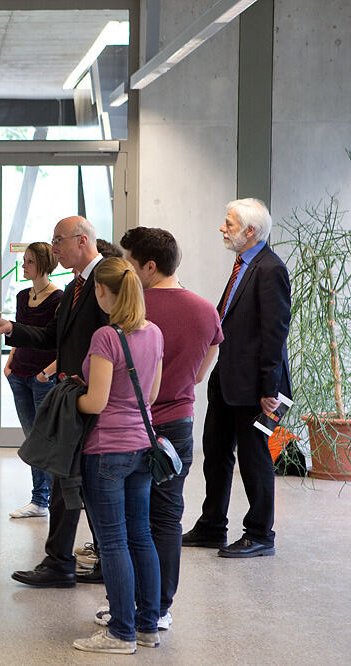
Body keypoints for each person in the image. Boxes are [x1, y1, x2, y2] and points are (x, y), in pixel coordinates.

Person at [90, 227, 221, 632]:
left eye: (128, 261)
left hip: (129, 424)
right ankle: (160, 609)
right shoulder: (205, 309)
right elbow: (201, 373)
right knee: (166, 518)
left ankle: (126, 609)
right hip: (178, 421)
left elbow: (105, 380)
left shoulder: (131, 309)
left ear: (148, 266)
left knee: (127, 524)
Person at [0, 216, 108, 587]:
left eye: (59, 241)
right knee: (66, 480)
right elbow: (54, 335)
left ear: (82, 240)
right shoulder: (76, 287)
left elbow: (113, 340)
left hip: (90, 397)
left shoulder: (106, 279)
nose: (54, 249)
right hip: (72, 396)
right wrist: (11, 330)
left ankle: (93, 558)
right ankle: (59, 562)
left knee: (84, 484)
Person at [183, 198, 291, 558]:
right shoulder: (244, 264)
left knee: (253, 457)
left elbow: (274, 333)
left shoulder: (269, 268)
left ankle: (260, 534)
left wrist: (269, 388)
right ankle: (212, 525)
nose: (222, 228)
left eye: (228, 223)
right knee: (215, 452)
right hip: (227, 378)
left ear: (250, 231)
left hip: (256, 387)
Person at [72, 257, 163, 654]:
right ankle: (147, 626)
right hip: (144, 445)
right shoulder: (154, 333)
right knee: (141, 534)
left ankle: (120, 632)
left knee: (112, 541)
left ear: (104, 292)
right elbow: (153, 395)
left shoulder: (106, 337)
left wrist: (70, 399)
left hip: (107, 449)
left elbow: (96, 402)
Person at [4, 242, 62, 519]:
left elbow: (62, 342)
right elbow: (20, 331)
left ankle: (52, 499)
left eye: (28, 261)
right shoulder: (22, 295)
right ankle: (39, 500)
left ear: (41, 263)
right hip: (19, 375)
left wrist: (46, 373)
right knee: (31, 440)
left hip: (42, 378)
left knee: (45, 440)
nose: (24, 265)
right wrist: (10, 362)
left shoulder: (59, 298)